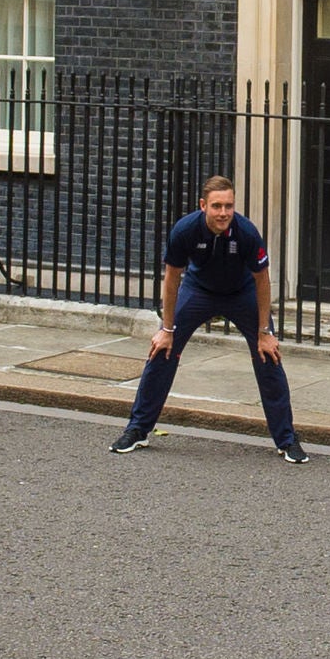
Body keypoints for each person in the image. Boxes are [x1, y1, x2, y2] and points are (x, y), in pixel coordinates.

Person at [110, 175, 306, 462]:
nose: (223, 213)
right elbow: (172, 278)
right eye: (216, 206)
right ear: (203, 205)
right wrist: (167, 328)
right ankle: (137, 430)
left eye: (228, 206)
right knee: (162, 350)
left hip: (242, 293)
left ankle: (287, 440)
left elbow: (262, 280)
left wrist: (265, 331)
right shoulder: (185, 230)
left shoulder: (246, 232)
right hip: (198, 289)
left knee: (269, 356)